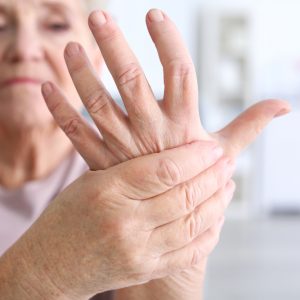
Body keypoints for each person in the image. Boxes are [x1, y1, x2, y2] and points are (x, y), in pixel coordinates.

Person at [0, 0, 290, 299]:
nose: (24, 48)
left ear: (95, 61)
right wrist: (45, 275)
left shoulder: (132, 177)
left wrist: (165, 273)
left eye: (55, 25)